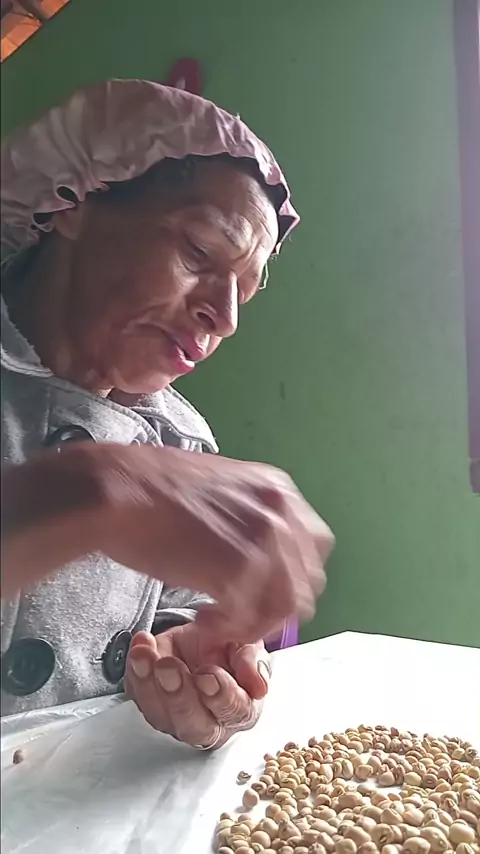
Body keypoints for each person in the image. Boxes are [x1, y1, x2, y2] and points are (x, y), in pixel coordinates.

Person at [1, 79, 334, 749]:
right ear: (76, 201)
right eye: (198, 253)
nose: (226, 317)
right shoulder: (150, 474)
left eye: (244, 292)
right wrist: (92, 490)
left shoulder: (179, 442)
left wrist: (192, 663)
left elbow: (177, 612)